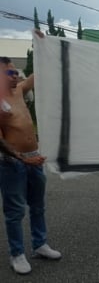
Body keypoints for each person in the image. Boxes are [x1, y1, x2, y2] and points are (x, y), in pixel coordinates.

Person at [0, 52, 61, 275]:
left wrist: (44, 46)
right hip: (12, 163)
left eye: (16, 71)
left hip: (34, 158)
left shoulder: (18, 90)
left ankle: (40, 245)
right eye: (10, 72)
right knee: (15, 211)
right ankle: (17, 254)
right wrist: (22, 158)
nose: (15, 75)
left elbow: (37, 75)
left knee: (38, 206)